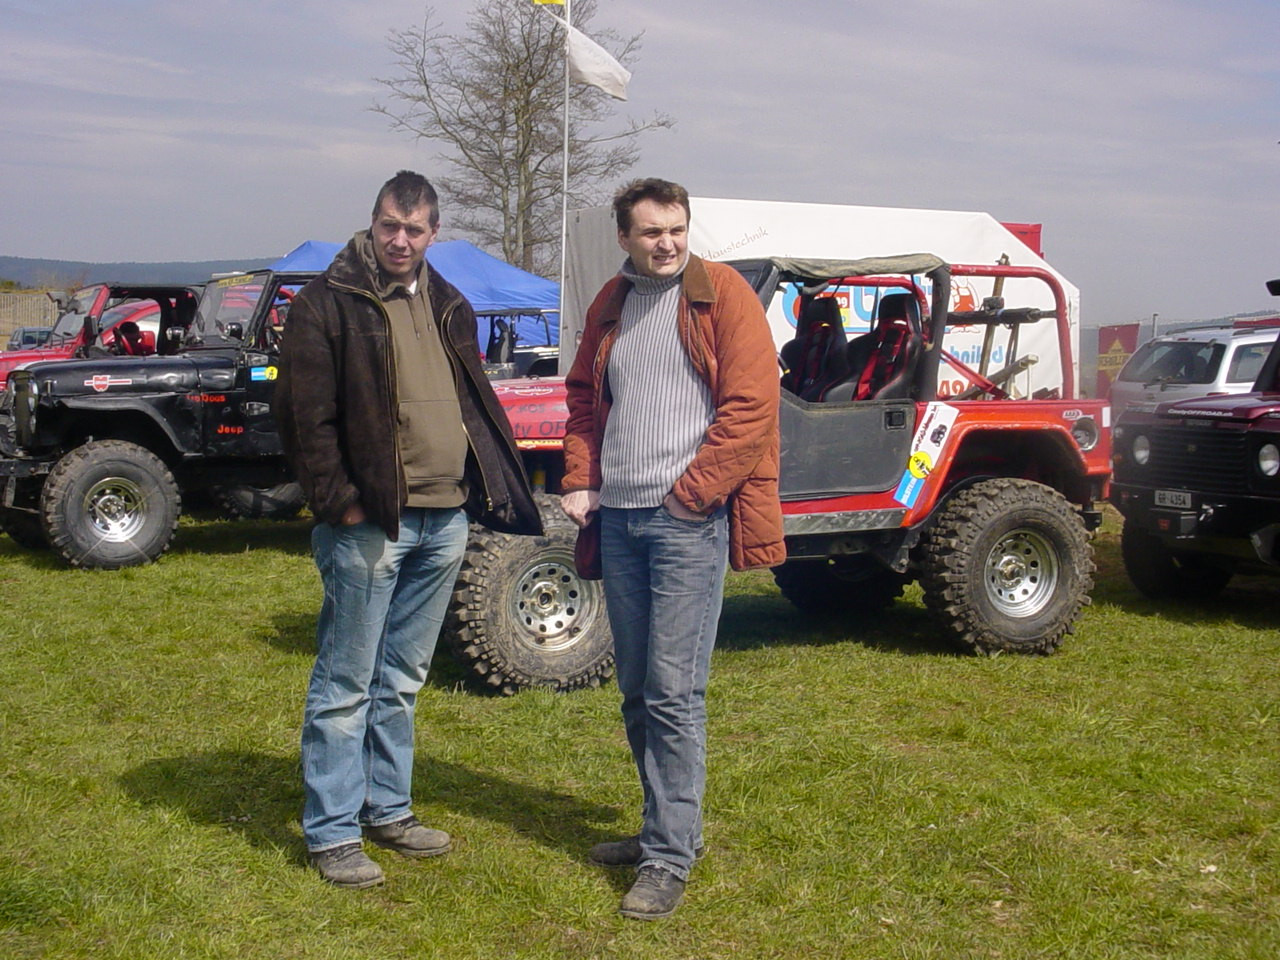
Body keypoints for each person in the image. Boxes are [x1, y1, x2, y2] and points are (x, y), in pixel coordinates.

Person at [275, 170, 542, 889]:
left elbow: (471, 401)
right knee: (346, 682)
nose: (400, 240)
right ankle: (333, 832)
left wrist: (475, 495)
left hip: (443, 520)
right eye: (390, 225)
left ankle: (387, 809)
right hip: (373, 525)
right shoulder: (327, 303)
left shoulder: (450, 302)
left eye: (414, 229)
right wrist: (342, 504)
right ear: (373, 222)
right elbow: (303, 418)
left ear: (433, 233)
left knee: (400, 680)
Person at [561, 178, 785, 919]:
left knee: (673, 692)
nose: (667, 243)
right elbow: (584, 399)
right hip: (619, 521)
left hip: (687, 521)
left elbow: (752, 407)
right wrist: (580, 478)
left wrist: (692, 495)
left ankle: (667, 857)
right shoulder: (612, 301)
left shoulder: (723, 295)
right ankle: (664, 826)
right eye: (652, 231)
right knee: (635, 688)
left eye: (677, 229)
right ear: (625, 237)